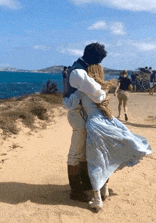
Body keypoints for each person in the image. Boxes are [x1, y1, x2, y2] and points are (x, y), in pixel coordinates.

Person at [64, 64, 152, 212]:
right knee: (107, 156)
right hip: (108, 122)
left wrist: (66, 91)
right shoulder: (101, 89)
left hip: (94, 126)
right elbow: (100, 99)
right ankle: (105, 189)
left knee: (95, 161)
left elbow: (69, 104)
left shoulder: (80, 93)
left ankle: (98, 200)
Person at [62, 42, 107, 202]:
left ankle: (84, 182)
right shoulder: (80, 73)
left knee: (81, 153)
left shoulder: (77, 67)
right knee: (75, 153)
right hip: (78, 115)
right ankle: (75, 190)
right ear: (95, 58)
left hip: (78, 113)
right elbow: (98, 95)